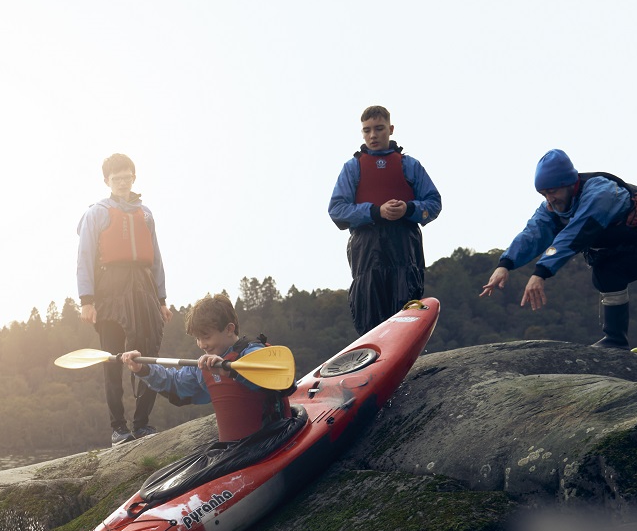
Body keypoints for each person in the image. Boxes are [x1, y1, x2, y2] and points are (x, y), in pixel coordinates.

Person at [480, 149, 637, 347]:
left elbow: (575, 234)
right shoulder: (553, 207)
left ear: (569, 183)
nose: (550, 199)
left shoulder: (600, 193)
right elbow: (533, 233)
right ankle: (615, 340)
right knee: (615, 273)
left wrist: (540, 272)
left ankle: (615, 340)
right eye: (544, 194)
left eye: (553, 191)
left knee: (608, 272)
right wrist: (505, 264)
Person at [78, 153, 171, 446]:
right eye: (115, 178)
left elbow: (156, 258)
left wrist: (162, 299)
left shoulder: (146, 214)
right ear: (107, 181)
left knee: (148, 356)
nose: (121, 182)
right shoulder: (97, 213)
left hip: (143, 288)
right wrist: (87, 300)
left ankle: (142, 423)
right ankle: (118, 428)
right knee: (113, 358)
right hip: (110, 291)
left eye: (126, 176)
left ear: (134, 177)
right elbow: (85, 257)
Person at [327, 105, 443, 334]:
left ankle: (406, 351)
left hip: (404, 245)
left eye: (379, 129)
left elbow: (434, 202)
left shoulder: (409, 165)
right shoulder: (352, 168)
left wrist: (409, 209)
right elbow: (337, 209)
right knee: (369, 308)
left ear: (390, 129)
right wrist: (376, 211)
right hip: (367, 248)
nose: (373, 135)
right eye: (367, 130)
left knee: (405, 306)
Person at [120, 293, 289, 444]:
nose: (201, 344)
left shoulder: (253, 353)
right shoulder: (207, 366)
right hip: (237, 450)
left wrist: (229, 370)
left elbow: (284, 382)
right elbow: (174, 382)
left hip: (273, 439)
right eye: (197, 338)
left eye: (206, 337)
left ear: (229, 329)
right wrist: (142, 368)